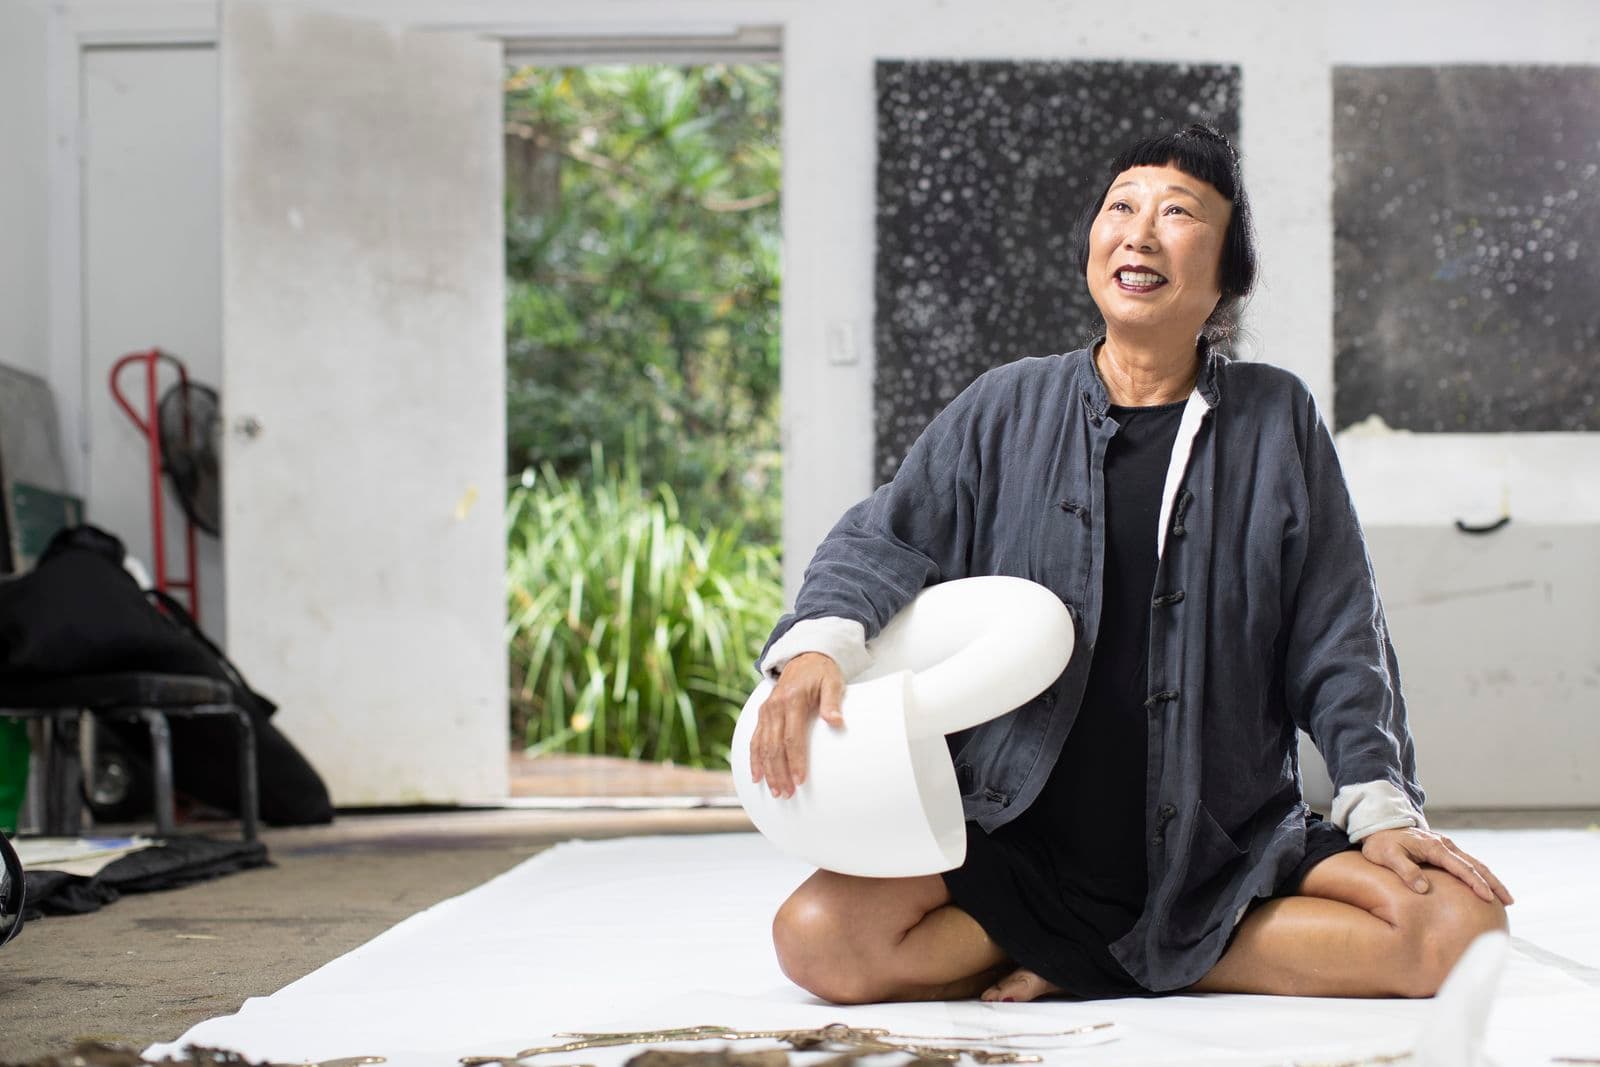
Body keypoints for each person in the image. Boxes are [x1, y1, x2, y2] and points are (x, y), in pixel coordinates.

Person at [747, 123, 1513, 1005]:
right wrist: (818, 646)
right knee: (816, 940)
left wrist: (1378, 805)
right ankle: (1111, 947)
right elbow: (884, 535)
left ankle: (1096, 955)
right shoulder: (1006, 405)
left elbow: (1341, 635)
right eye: (1122, 207)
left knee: (1460, 928)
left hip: (1220, 847)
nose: (1140, 231)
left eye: (1179, 212)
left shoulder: (1277, 419)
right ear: (1093, 247)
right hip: (1019, 832)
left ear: (1226, 275)